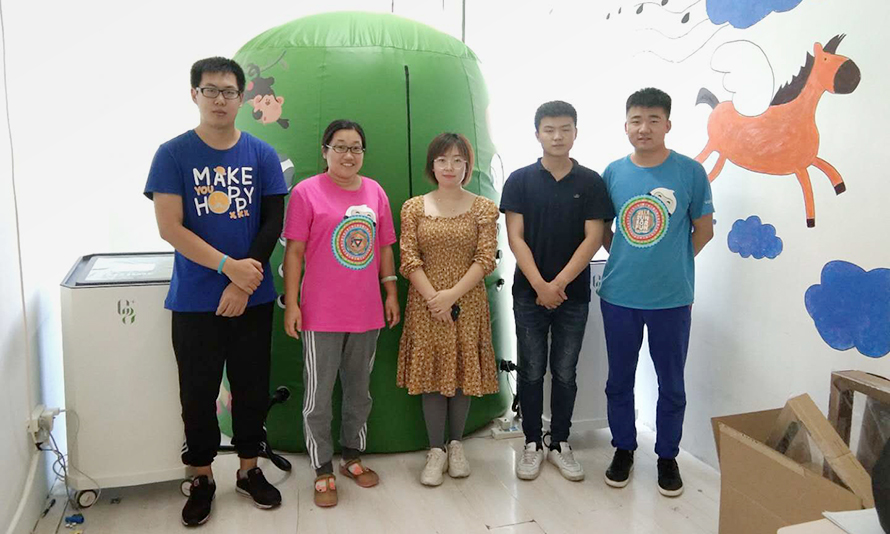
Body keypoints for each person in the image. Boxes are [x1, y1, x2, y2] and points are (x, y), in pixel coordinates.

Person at [144, 57, 286, 526]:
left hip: (253, 297)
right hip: (195, 299)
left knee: (251, 389)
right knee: (197, 392)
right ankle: (202, 477)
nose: (220, 99)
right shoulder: (172, 154)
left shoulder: (262, 155)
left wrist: (245, 282)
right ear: (194, 95)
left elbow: (272, 223)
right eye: (210, 90)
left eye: (229, 91)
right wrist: (228, 268)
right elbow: (170, 227)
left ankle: (248, 470)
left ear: (242, 98)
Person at [599, 87, 714, 497]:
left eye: (652, 120)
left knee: (672, 383)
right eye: (636, 120)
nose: (643, 128)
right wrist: (629, 257)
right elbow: (603, 231)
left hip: (672, 298)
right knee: (619, 380)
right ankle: (623, 449)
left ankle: (667, 456)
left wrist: (671, 263)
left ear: (667, 124)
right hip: (619, 296)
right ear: (626, 125)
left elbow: (704, 230)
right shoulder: (613, 173)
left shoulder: (690, 172)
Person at [282, 119, 400, 508]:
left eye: (356, 148)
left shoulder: (375, 191)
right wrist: (292, 304)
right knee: (318, 397)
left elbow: (384, 247)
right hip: (320, 314)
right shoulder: (306, 192)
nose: (349, 155)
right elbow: (294, 252)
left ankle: (352, 455)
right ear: (325, 151)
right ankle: (321, 468)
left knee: (359, 392)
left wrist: (390, 292)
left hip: (366, 312)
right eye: (341, 147)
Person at [500, 101, 614, 482]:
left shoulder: (591, 182)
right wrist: (540, 285)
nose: (557, 136)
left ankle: (560, 442)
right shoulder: (519, 180)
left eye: (565, 129)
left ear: (576, 133)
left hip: (572, 296)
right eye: (549, 129)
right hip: (528, 294)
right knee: (531, 370)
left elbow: (593, 238)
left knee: (565, 372)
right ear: (537, 134)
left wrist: (559, 284)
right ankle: (532, 442)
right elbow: (515, 237)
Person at [397, 133, 500, 487]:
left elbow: (485, 258)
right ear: (432, 165)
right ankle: (435, 449)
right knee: (431, 375)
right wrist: (434, 298)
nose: (450, 167)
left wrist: (451, 296)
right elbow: (409, 258)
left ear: (468, 165)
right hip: (425, 304)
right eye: (442, 160)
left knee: (461, 374)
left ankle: (456, 446)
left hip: (467, 302)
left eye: (458, 160)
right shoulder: (414, 207)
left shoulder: (483, 208)